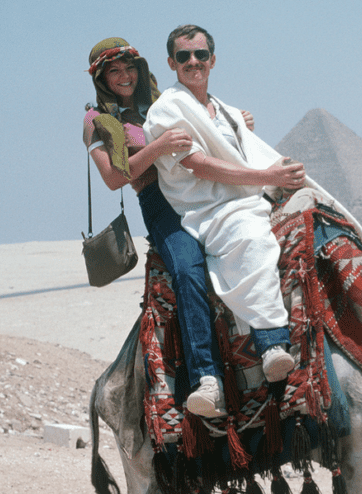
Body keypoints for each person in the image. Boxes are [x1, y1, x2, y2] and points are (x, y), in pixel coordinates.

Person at [143, 24, 304, 404]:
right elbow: (200, 166)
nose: (193, 62)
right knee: (249, 236)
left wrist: (285, 174)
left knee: (317, 219)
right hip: (209, 209)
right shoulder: (166, 110)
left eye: (200, 55)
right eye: (184, 56)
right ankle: (270, 345)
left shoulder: (228, 111)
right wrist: (269, 176)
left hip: (249, 195)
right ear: (172, 63)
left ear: (213, 60)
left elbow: (247, 151)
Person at [83, 37, 231, 418]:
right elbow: (114, 178)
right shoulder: (96, 121)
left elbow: (208, 128)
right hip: (160, 202)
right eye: (113, 70)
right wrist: (160, 146)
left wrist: (234, 121)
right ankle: (206, 378)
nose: (124, 76)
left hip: (200, 187)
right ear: (101, 78)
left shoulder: (165, 100)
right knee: (187, 269)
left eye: (129, 67)